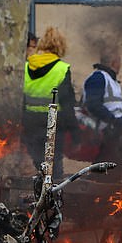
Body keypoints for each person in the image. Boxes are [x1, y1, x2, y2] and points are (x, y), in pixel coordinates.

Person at [23, 27, 76, 177]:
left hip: (30, 123)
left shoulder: (27, 66)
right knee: (54, 167)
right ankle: (52, 197)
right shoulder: (62, 69)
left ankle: (37, 195)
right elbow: (67, 103)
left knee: (37, 164)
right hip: (53, 124)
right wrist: (74, 130)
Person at [83, 48, 122, 163]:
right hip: (105, 133)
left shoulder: (112, 80)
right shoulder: (98, 78)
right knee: (104, 165)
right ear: (114, 63)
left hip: (113, 131)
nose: (121, 64)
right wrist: (112, 120)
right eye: (119, 60)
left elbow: (113, 104)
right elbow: (92, 105)